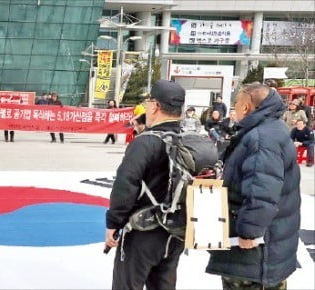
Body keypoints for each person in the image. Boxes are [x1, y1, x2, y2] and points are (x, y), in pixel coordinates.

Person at [206, 83, 301, 289]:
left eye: (237, 104)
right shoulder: (270, 129)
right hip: (269, 246)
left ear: (247, 107)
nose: (235, 108)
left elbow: (262, 191)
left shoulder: (261, 138)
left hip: (255, 254)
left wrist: (249, 231)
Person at [105, 80, 186, 290]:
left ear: (155, 106)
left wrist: (114, 223)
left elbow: (126, 184)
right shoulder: (189, 140)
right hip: (177, 231)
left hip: (143, 231)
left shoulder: (145, 142)